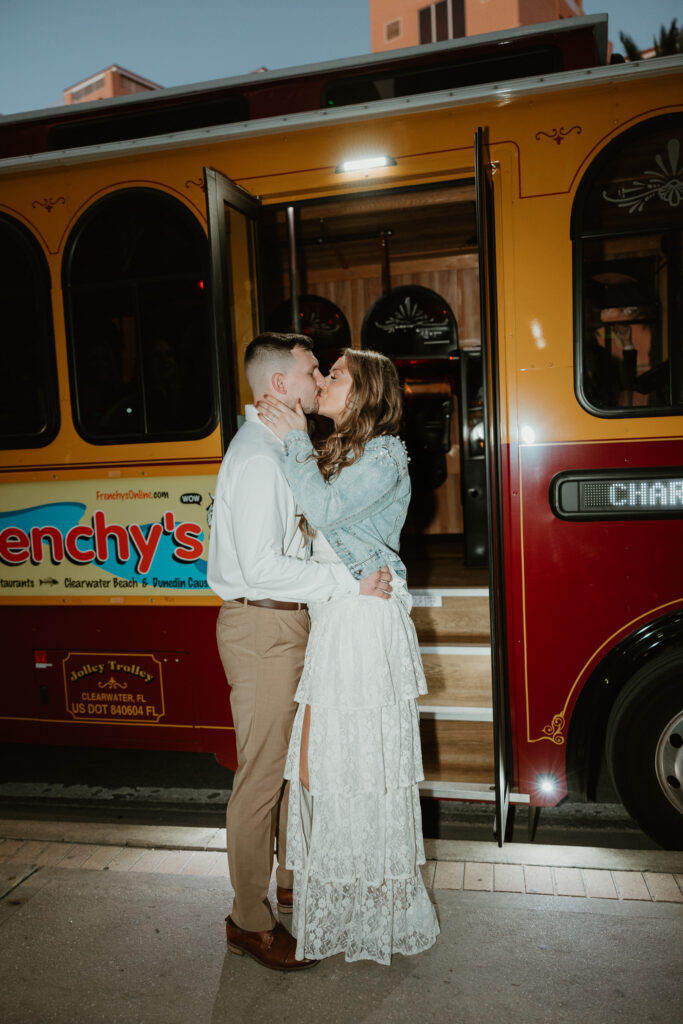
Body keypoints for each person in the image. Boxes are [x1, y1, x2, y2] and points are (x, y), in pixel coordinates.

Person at [207, 332, 393, 973]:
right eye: (314, 371)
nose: (319, 380)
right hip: (264, 629)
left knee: (286, 770)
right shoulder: (259, 458)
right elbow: (260, 567)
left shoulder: (274, 449)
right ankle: (249, 921)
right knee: (260, 779)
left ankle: (282, 886)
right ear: (280, 384)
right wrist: (347, 583)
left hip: (284, 626)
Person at [256, 348, 439, 965]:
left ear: (363, 394)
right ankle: (352, 903)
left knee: (350, 766)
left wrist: (293, 441)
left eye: (334, 375)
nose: (323, 381)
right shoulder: (344, 452)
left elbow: (327, 512)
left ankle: (377, 907)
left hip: (364, 623)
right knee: (321, 765)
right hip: (342, 612)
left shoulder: (386, 454)